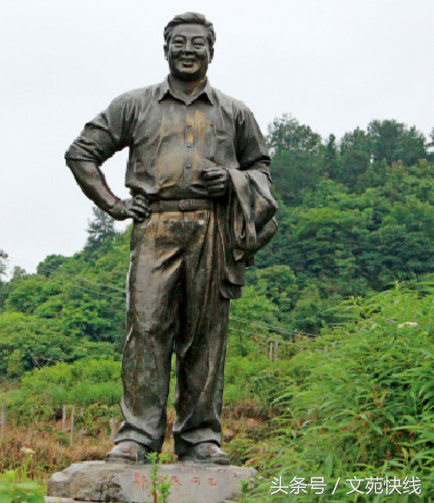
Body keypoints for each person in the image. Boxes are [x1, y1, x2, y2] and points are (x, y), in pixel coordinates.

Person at [65, 12, 277, 465]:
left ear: (211, 52)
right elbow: (81, 153)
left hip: (212, 229)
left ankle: (200, 436)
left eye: (198, 43)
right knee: (145, 330)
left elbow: (261, 169)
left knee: (205, 335)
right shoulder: (134, 105)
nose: (188, 50)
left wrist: (235, 179)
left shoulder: (234, 111)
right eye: (179, 42)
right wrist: (115, 205)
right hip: (154, 227)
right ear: (165, 50)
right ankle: (138, 436)